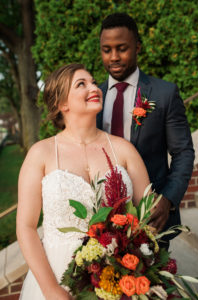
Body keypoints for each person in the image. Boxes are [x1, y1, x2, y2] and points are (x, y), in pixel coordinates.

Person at [16, 63, 151, 300]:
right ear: (62, 104)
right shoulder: (41, 154)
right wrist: (51, 289)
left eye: (92, 81)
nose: (94, 87)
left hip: (118, 277)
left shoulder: (124, 149)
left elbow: (147, 216)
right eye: (82, 84)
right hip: (57, 276)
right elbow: (26, 227)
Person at [97, 13, 195, 246]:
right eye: (106, 50)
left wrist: (168, 199)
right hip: (103, 219)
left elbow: (183, 152)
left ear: (137, 47)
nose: (114, 57)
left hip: (151, 217)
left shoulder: (164, 94)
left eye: (122, 48)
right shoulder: (94, 97)